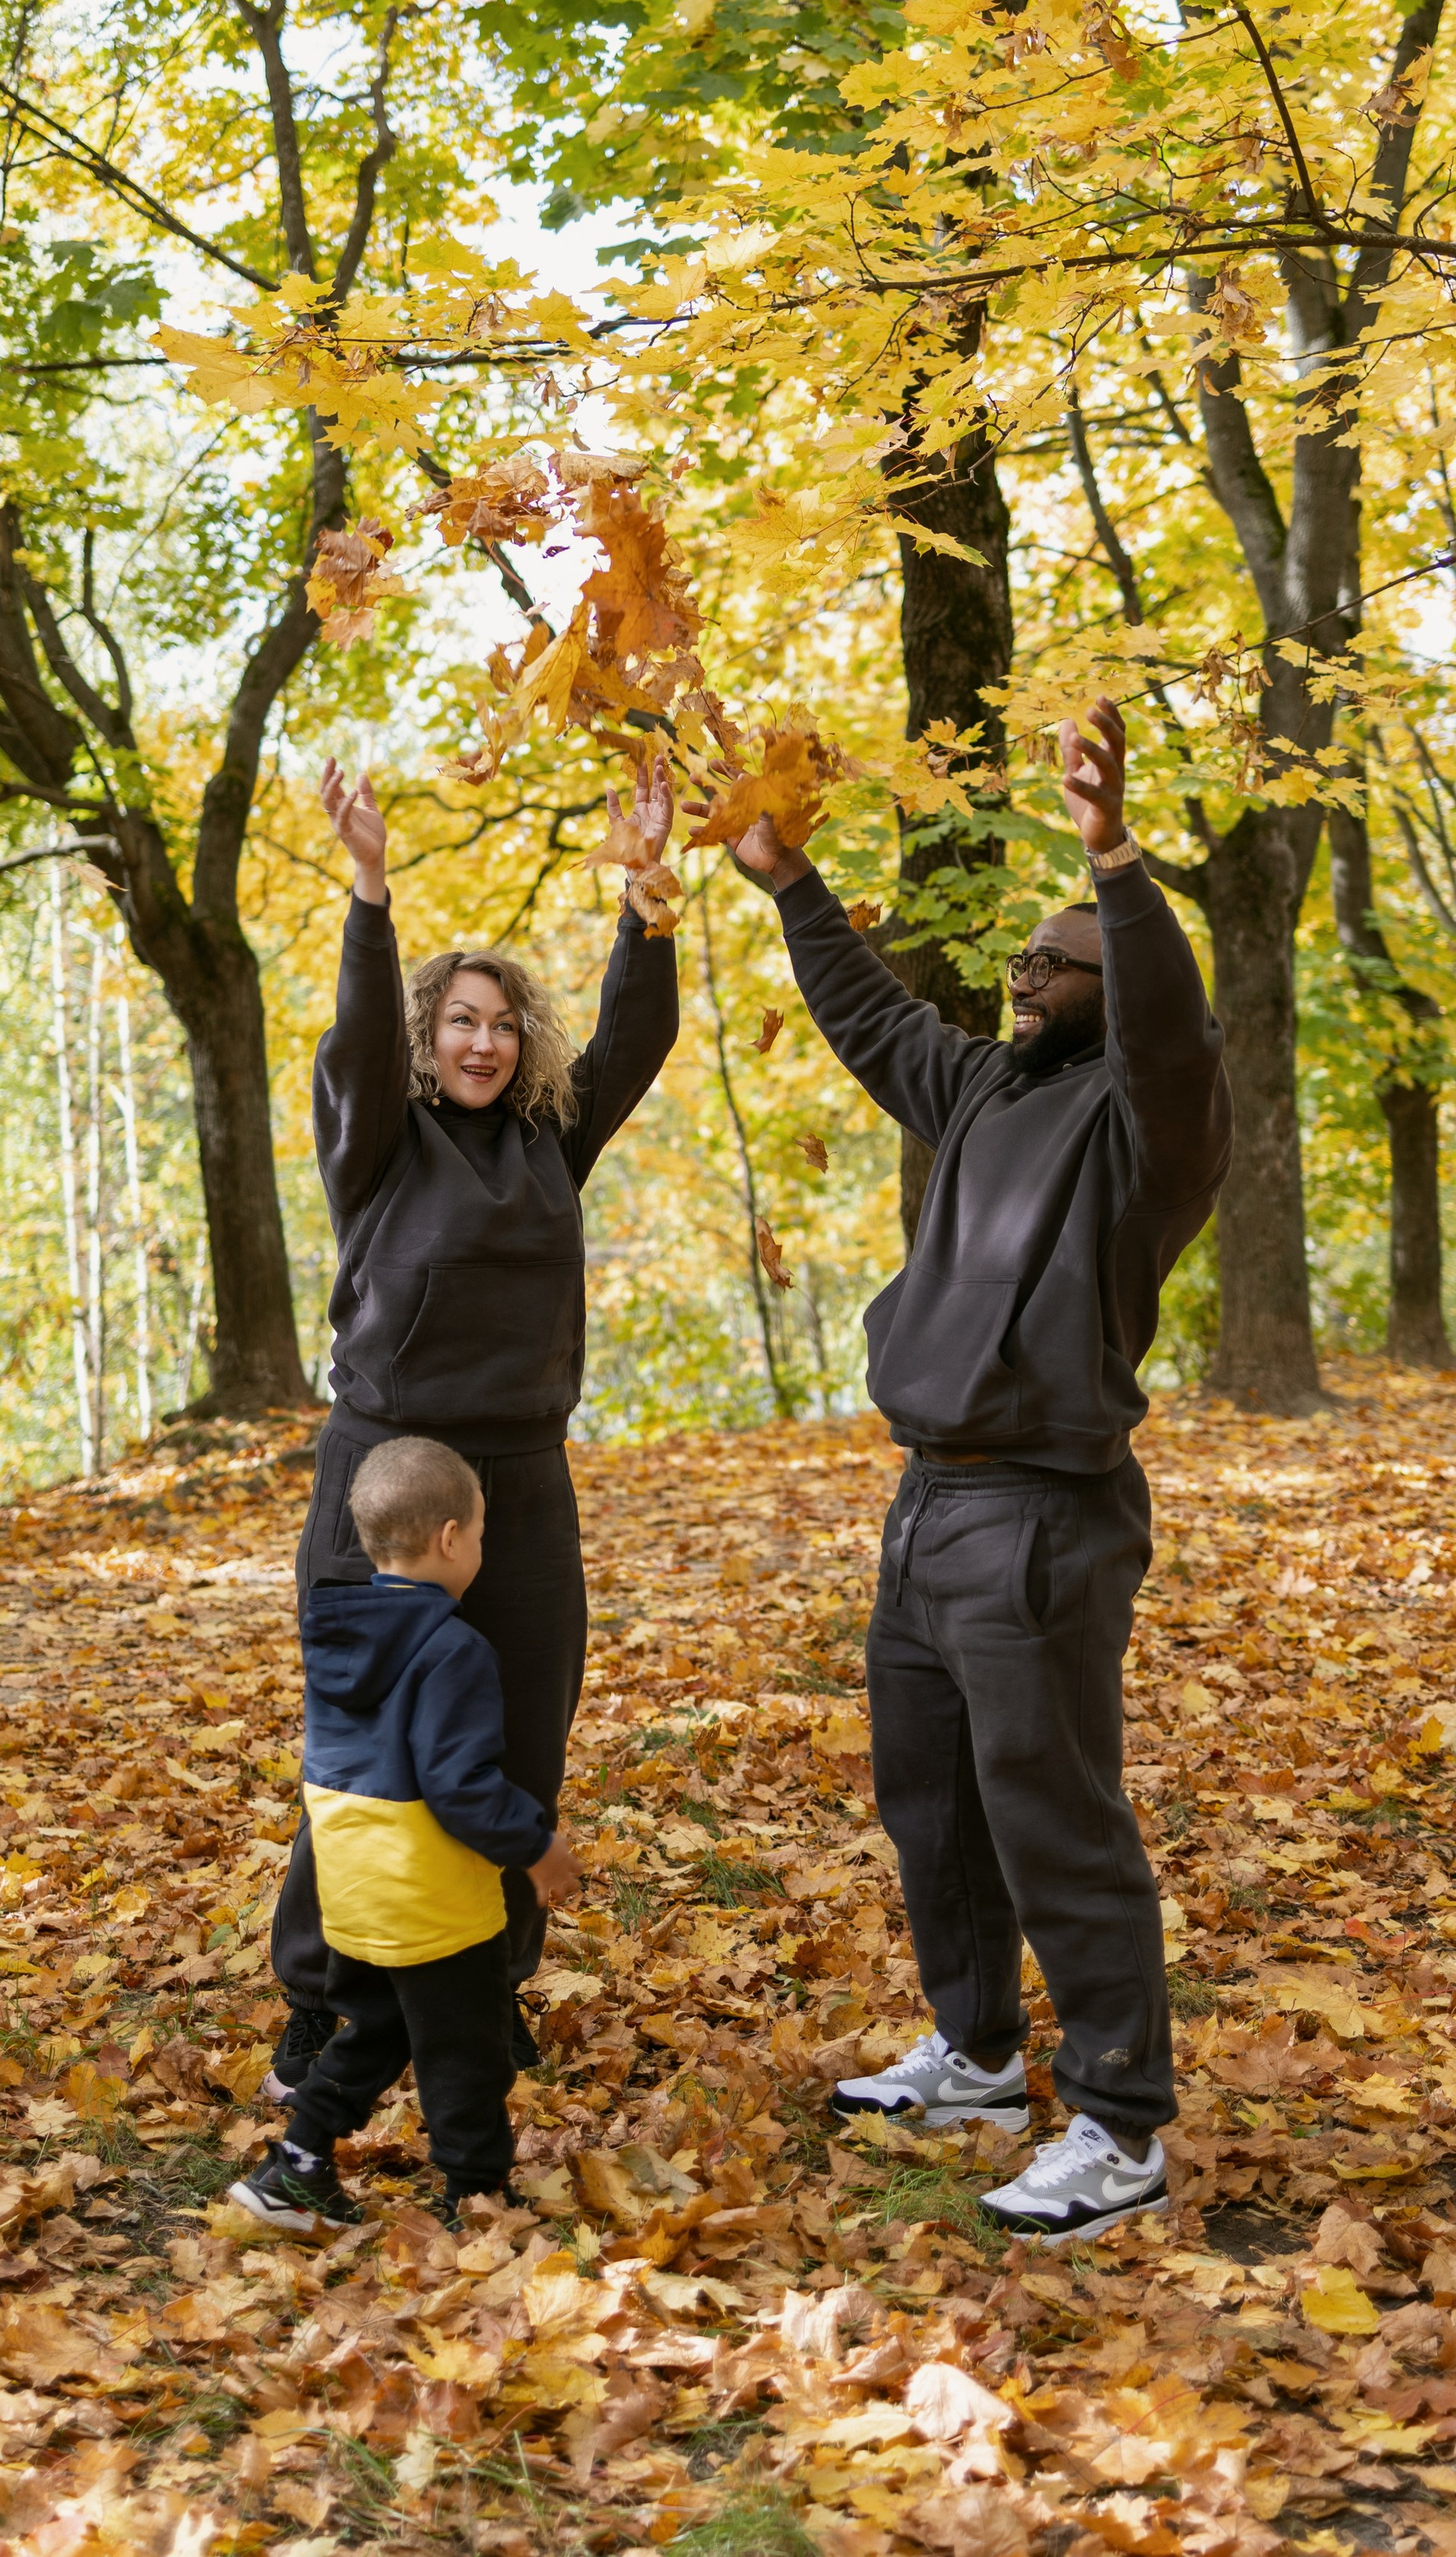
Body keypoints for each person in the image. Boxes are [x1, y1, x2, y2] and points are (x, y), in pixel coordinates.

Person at [710, 699, 1231, 2245]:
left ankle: (1121, 2128)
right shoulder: (985, 1091)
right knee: (929, 1800)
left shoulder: (1148, 1127)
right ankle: (981, 2058)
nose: (1023, 975)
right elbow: (873, 1019)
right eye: (1022, 957)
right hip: (927, 1499)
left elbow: (1164, 1022)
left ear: (1112, 991)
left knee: (1054, 1814)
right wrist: (791, 884)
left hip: (1041, 1512)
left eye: (1055, 963)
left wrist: (1114, 863)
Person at [265, 751, 678, 2098]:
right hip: (385, 1470)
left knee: (517, 1740)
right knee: (370, 1745)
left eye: (502, 1023)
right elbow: (353, 1043)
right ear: (427, 1037)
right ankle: (322, 2004)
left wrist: (647, 892)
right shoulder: (379, 1141)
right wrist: (370, 888)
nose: (484, 1043)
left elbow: (639, 1038)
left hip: (520, 1481)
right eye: (460, 1022)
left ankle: (488, 1990)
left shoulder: (552, 1139)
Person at [230, 1437, 581, 2231]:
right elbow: (459, 1786)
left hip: (353, 1886)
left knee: (380, 2027)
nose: (482, 1548)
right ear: (451, 1538)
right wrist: (535, 1845)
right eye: (481, 1534)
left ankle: (296, 2163)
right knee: (468, 2050)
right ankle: (478, 2198)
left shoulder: (337, 1635)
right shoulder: (454, 1649)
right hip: (430, 1895)